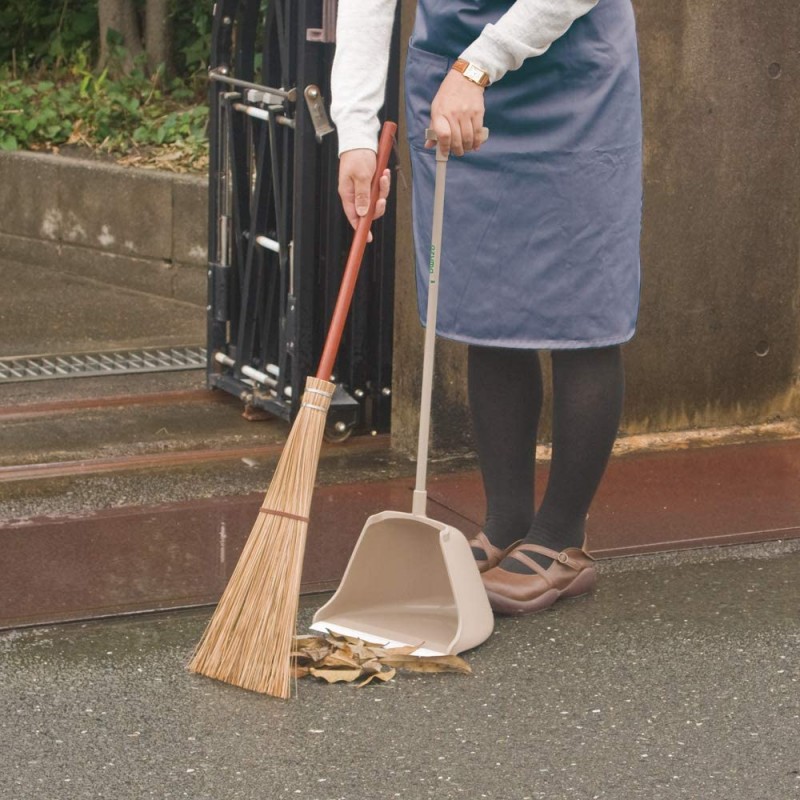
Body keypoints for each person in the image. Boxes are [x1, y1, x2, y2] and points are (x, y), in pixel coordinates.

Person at [331, 0, 642, 615]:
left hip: (568, 76)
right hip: (450, 84)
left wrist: (479, 66)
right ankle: (506, 523)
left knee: (583, 307)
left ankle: (561, 539)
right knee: (486, 302)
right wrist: (357, 135)